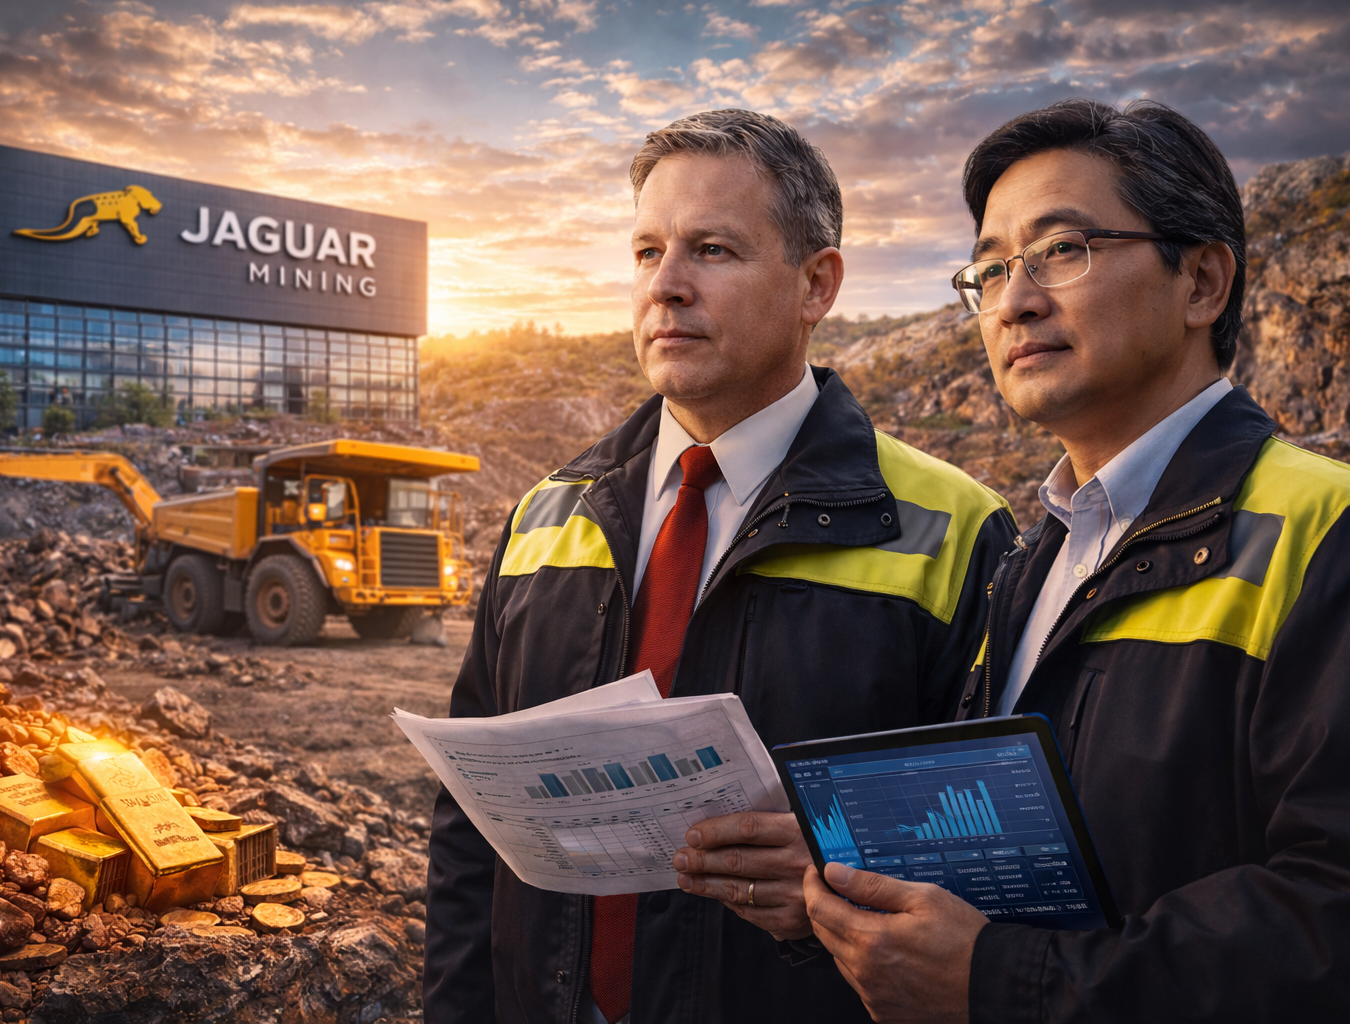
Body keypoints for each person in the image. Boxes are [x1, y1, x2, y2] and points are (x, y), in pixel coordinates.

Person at [802, 97, 1350, 1022]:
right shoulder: (1037, 556)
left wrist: (1000, 980)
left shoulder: (1340, 538)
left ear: (1201, 282)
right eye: (992, 267)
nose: (1014, 300)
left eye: (1063, 250)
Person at [425, 108, 1018, 1024]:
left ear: (817, 284)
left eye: (711, 250)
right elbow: (470, 835)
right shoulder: (547, 513)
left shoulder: (956, 530)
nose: (665, 286)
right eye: (645, 251)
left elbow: (995, 854)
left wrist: (827, 876)